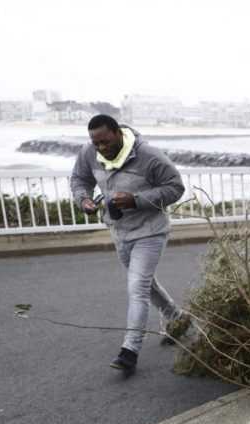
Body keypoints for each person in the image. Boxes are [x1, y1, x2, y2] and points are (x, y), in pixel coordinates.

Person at [70, 114, 191, 375]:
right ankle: (178, 317)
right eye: (95, 142)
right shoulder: (89, 152)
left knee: (137, 287)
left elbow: (176, 188)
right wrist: (84, 200)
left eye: (104, 141)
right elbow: (80, 180)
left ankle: (129, 351)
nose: (100, 147)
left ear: (117, 132)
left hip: (150, 231)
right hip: (119, 231)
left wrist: (137, 200)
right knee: (146, 284)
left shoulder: (149, 156)